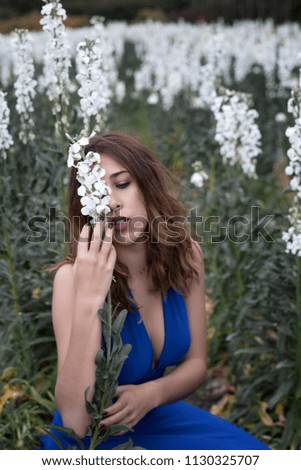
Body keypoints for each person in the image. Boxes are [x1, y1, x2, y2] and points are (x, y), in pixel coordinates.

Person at [40, 131, 269, 450]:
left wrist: (152, 395)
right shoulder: (71, 278)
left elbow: (197, 364)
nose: (114, 204)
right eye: (99, 195)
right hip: (96, 440)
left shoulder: (186, 255)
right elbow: (75, 422)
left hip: (155, 414)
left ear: (147, 184)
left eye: (122, 184)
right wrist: (89, 300)